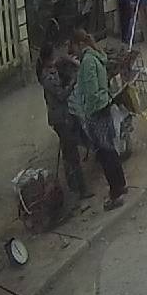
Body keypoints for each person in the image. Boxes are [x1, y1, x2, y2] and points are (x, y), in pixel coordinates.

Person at [67, 29, 126, 210]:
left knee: (104, 153)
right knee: (110, 148)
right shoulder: (95, 57)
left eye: (73, 47)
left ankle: (115, 193)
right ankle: (120, 185)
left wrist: (87, 113)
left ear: (79, 44)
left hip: (97, 111)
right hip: (104, 105)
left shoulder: (88, 62)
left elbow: (91, 92)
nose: (73, 52)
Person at [37, 38, 91, 202]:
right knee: (71, 155)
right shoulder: (47, 77)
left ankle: (77, 187)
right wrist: (72, 83)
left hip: (64, 115)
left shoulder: (52, 69)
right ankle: (78, 189)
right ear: (48, 57)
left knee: (71, 152)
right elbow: (61, 95)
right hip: (60, 118)